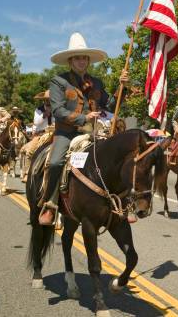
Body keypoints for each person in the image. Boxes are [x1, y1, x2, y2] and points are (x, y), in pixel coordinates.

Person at [38, 32, 129, 226]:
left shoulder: (96, 82)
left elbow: (110, 106)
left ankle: (122, 201)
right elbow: (58, 110)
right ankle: (51, 203)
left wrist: (121, 88)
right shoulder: (58, 81)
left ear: (88, 60)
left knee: (117, 159)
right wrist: (83, 117)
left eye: (84, 57)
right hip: (67, 132)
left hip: (93, 132)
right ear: (70, 61)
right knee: (55, 163)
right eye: (77, 57)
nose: (81, 61)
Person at [20, 90, 53, 183]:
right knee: (30, 151)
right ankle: (27, 173)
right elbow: (37, 122)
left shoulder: (57, 108)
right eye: (46, 100)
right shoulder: (38, 110)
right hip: (41, 134)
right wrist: (46, 113)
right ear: (44, 100)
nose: (48, 101)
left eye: (50, 100)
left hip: (55, 133)